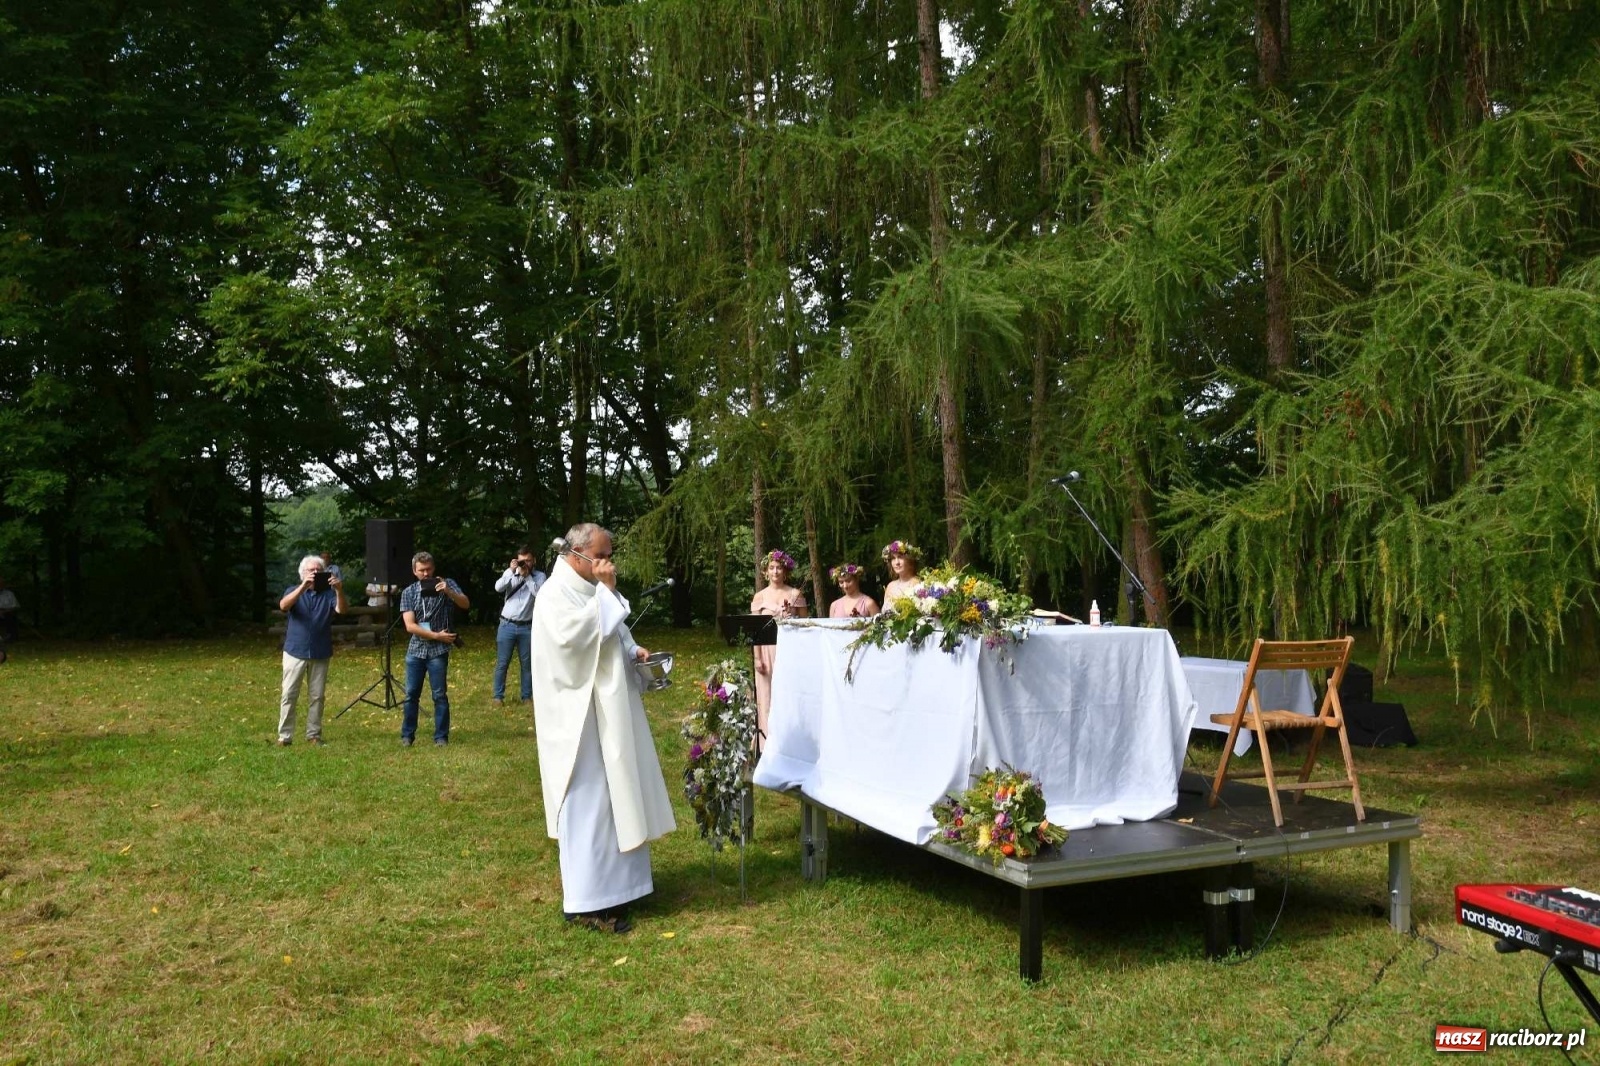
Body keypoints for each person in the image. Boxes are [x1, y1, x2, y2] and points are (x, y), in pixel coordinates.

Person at [531, 523, 675, 934]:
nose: (608, 563)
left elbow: (613, 630)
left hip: (606, 709)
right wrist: (608, 594)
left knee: (619, 793)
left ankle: (624, 888)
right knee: (590, 801)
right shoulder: (552, 596)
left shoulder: (587, 586)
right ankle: (587, 901)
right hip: (577, 717)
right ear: (577, 555)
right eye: (602, 556)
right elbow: (573, 641)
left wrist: (633, 649)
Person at [399, 551, 470, 747]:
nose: (426, 574)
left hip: (438, 651)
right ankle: (407, 735)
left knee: (439, 694)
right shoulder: (409, 592)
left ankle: (441, 736)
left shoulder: (448, 584)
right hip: (416, 649)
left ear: (434, 568)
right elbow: (410, 625)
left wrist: (449, 592)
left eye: (429, 569)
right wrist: (436, 635)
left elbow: (465, 604)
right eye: (421, 570)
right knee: (411, 694)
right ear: (414, 571)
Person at [277, 554, 348, 746]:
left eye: (318, 570)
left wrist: (339, 590)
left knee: (317, 696)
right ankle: (285, 736)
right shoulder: (293, 590)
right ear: (303, 574)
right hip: (294, 651)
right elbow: (283, 605)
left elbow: (342, 610)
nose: (315, 573)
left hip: (320, 651)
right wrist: (303, 587)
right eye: (311, 570)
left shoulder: (329, 595)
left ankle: (313, 735)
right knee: (289, 694)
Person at [750, 549, 808, 748]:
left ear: (786, 571)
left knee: (789, 694)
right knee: (766, 695)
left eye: (779, 568)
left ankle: (790, 742)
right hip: (766, 650)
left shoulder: (794, 594)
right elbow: (754, 630)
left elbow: (805, 624)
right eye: (771, 568)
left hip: (789, 651)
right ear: (766, 572)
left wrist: (791, 619)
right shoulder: (760, 596)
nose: (775, 572)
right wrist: (757, 658)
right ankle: (767, 742)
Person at [493, 546, 546, 707]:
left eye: (528, 560)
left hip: (527, 627)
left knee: (527, 664)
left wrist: (528, 577)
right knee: (502, 663)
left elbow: (540, 595)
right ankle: (498, 696)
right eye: (522, 560)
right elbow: (498, 588)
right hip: (506, 625)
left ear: (534, 561)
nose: (525, 564)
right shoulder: (511, 573)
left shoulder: (539, 576)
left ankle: (526, 696)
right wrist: (511, 571)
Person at [881, 540, 925, 607]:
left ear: (909, 560)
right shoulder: (890, 586)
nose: (897, 562)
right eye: (893, 558)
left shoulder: (918, 584)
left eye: (900, 557)